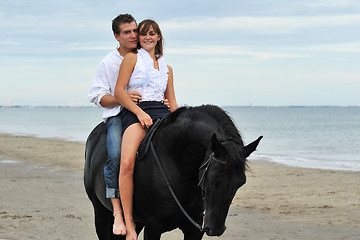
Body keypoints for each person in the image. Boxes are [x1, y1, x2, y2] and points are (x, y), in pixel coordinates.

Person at [114, 19, 178, 240]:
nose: (148, 37)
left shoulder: (167, 68)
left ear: (159, 37)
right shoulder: (132, 58)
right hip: (136, 111)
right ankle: (129, 221)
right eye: (143, 34)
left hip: (162, 113)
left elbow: (172, 102)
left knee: (191, 150)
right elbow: (120, 91)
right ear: (139, 38)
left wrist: (178, 120)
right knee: (127, 162)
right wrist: (139, 113)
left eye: (152, 34)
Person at [88, 14, 142, 236]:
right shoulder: (108, 62)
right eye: (127, 32)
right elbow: (98, 97)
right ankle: (117, 211)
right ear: (116, 36)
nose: (133, 35)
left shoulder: (145, 56)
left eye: (135, 30)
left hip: (143, 113)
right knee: (116, 156)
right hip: (117, 116)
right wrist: (123, 97)